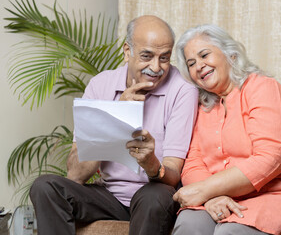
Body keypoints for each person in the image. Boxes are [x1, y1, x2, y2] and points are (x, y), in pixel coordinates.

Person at [29, 15, 198, 235]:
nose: (156, 67)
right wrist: (114, 116)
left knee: (154, 196)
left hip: (153, 197)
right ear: (127, 51)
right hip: (109, 197)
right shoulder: (100, 85)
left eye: (164, 58)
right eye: (147, 56)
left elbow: (173, 173)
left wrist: (151, 163)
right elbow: (77, 175)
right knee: (45, 187)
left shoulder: (183, 90)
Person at [172, 24, 281, 235]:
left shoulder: (263, 88)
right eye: (191, 63)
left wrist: (205, 190)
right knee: (190, 222)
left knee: (229, 232)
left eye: (204, 55)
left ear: (231, 55)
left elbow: (275, 155)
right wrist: (212, 198)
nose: (199, 66)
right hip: (225, 199)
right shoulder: (202, 109)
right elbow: (192, 163)